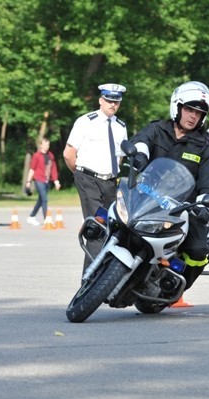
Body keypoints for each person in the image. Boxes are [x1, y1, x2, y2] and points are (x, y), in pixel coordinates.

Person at [130, 81, 209, 291]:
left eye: (198, 113)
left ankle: (174, 285)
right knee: (112, 218)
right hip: (146, 196)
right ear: (177, 107)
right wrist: (140, 156)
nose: (193, 116)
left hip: (182, 209)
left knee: (198, 249)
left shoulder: (204, 147)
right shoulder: (157, 129)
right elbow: (141, 141)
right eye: (189, 109)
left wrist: (205, 204)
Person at [63, 83, 128, 267]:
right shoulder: (85, 121)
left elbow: (120, 157)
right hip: (88, 179)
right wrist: (80, 175)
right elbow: (69, 154)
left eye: (116, 102)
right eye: (108, 100)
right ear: (101, 100)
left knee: (112, 229)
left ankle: (104, 280)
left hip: (110, 182)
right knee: (97, 227)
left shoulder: (120, 126)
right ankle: (89, 281)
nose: (112, 105)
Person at [25, 138, 61, 226]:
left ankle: (31, 217)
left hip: (47, 181)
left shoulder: (50, 155)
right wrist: (28, 181)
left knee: (41, 200)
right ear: (41, 145)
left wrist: (56, 181)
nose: (47, 147)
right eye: (45, 145)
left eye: (48, 145)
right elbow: (32, 169)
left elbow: (53, 168)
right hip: (38, 179)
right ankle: (46, 219)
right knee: (44, 199)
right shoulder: (37, 155)